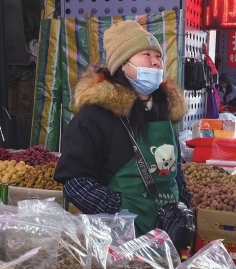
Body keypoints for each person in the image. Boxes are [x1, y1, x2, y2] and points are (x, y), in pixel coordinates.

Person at [54, 20, 191, 235]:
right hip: (119, 240)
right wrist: (118, 211)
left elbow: (176, 170)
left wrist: (183, 207)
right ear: (122, 65)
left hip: (168, 234)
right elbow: (75, 183)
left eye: (158, 56)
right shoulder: (95, 118)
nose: (156, 62)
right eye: (146, 54)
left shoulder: (165, 111)